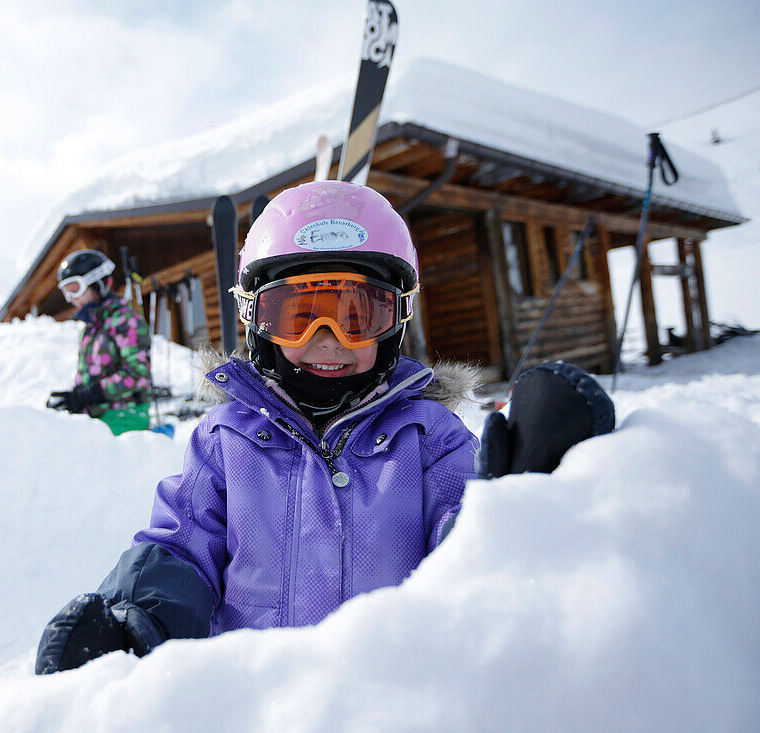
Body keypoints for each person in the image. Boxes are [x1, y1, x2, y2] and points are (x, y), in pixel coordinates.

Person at [35, 181, 615, 674]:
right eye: (297, 315)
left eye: (357, 315)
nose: (327, 340)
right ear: (257, 324)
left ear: (394, 323)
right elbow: (182, 546)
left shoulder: (429, 440)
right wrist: (137, 616)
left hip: (392, 702)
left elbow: (468, 540)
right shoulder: (226, 440)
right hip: (255, 705)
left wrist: (521, 509)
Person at [46, 250, 153, 436]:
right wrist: (76, 398)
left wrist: (91, 394)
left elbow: (138, 374)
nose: (71, 298)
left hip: (126, 417)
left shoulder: (125, 321)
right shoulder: (90, 329)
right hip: (98, 418)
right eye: (65, 291)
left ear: (99, 284)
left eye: (74, 288)